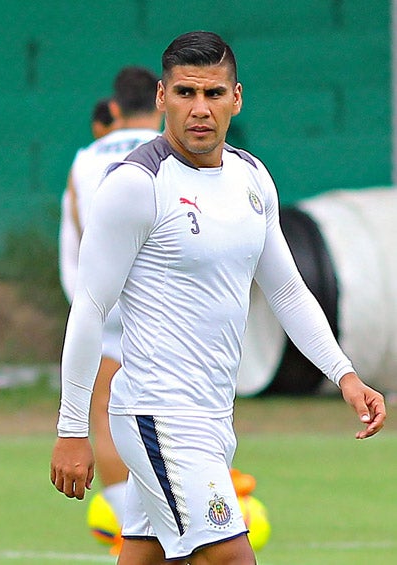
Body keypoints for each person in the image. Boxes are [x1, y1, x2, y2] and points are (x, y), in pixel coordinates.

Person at [50, 31, 386, 565]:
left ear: (237, 98)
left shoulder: (252, 177)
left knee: (147, 554)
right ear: (162, 98)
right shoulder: (136, 184)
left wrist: (344, 374)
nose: (199, 108)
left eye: (213, 93)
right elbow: (89, 308)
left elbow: (287, 290)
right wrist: (72, 429)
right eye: (185, 93)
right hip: (156, 413)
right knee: (231, 557)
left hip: (212, 414)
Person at [59, 66, 162, 547]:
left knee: (106, 406)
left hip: (106, 296)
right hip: (163, 296)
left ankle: (127, 521)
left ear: (115, 108)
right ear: (161, 101)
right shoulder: (173, 147)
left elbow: (82, 226)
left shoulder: (86, 158)